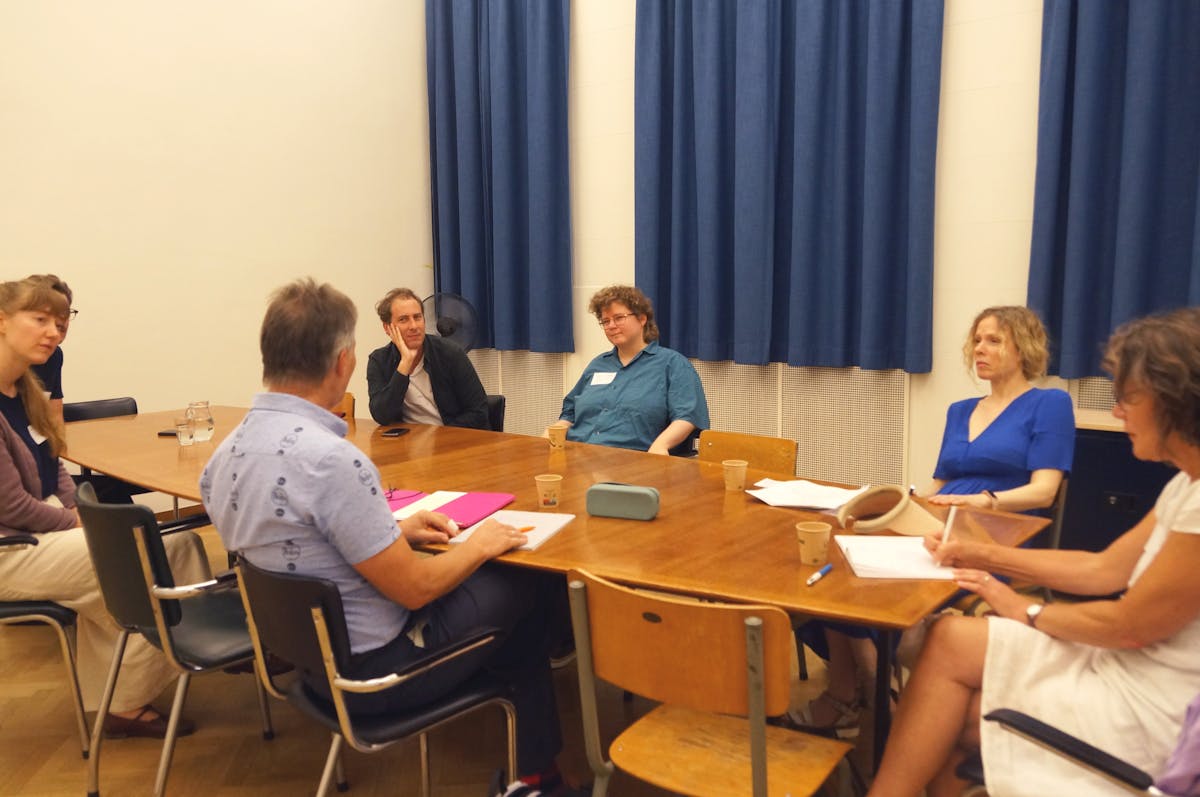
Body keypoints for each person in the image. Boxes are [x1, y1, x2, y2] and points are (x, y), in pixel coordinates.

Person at [202, 279, 578, 795]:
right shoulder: (333, 462)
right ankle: (537, 776)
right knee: (525, 583)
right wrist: (479, 544)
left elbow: (300, 542)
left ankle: (527, 749)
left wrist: (394, 529)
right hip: (379, 676)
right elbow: (416, 590)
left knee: (500, 601)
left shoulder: (225, 455)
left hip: (309, 663)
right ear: (342, 362)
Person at [867, 306, 1200, 797]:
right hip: (1127, 662)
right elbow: (1103, 568)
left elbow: (1128, 627)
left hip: (1149, 703)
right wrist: (978, 555)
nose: (1116, 412)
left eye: (1128, 398)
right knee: (951, 641)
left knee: (950, 711)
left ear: (1177, 402)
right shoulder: (1186, 485)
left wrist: (1025, 608)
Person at [792, 306, 1075, 737]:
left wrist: (980, 500)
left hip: (999, 534)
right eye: (977, 340)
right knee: (839, 570)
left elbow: (1044, 491)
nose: (980, 349)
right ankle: (866, 693)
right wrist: (901, 502)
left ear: (1023, 348)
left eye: (994, 340)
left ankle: (868, 700)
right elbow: (939, 483)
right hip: (943, 524)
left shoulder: (1049, 403)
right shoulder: (960, 410)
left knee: (869, 588)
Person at [0, 277, 211, 738]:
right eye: (40, 319)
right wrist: (77, 521)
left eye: (60, 322)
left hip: (45, 532)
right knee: (143, 556)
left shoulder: (24, 390)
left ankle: (143, 682)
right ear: (2, 321)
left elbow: (54, 464)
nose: (53, 332)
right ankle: (164, 669)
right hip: (12, 547)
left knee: (180, 545)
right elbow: (12, 506)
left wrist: (78, 511)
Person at [552, 285, 709, 454]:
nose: (611, 325)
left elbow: (687, 416)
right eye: (606, 321)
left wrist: (660, 446)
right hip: (579, 455)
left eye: (619, 318)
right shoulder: (598, 364)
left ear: (642, 319)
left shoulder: (673, 364)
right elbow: (570, 412)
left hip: (633, 460)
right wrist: (552, 434)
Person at [366, 287, 490, 429]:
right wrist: (405, 364)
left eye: (417, 317)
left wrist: (438, 437)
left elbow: (479, 412)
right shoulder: (379, 360)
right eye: (403, 319)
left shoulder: (450, 353)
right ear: (387, 328)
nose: (413, 326)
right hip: (409, 439)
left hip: (452, 437)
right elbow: (381, 416)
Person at [27, 273, 74, 422]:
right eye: (42, 318)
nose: (54, 330)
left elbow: (54, 417)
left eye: (64, 312)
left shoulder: (53, 354)